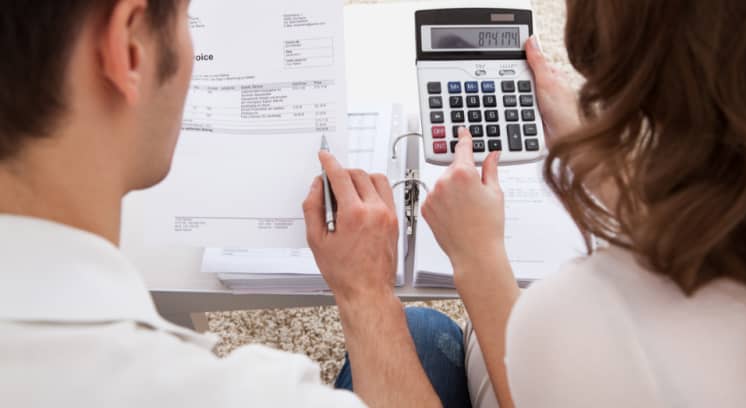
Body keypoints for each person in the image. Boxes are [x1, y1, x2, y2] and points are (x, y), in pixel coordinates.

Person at [0, 1, 466, 407]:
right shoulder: (243, 394)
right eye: (189, 20)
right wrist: (367, 294)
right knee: (424, 331)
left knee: (424, 329)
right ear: (129, 49)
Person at [370, 0, 746, 407]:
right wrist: (596, 163)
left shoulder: (573, 315)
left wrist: (475, 259)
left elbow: (531, 388)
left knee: (419, 329)